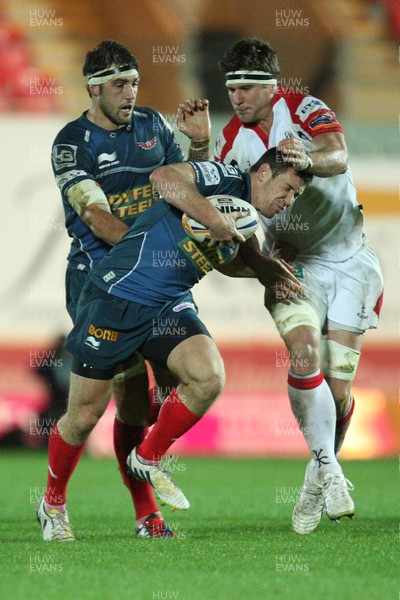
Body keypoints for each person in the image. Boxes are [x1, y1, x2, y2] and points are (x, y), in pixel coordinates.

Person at [37, 148, 311, 541]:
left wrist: (262, 269)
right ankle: (53, 504)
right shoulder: (225, 179)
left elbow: (223, 257)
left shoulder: (246, 218)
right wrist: (214, 218)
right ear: (263, 172)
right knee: (83, 416)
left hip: (167, 305)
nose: (287, 201)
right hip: (117, 297)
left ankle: (147, 457)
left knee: (208, 377)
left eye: (296, 197)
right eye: (287, 188)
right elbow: (164, 177)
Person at [215, 38, 384, 534]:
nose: (238, 98)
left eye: (247, 87)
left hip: (351, 259)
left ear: (271, 86)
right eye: (232, 89)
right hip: (296, 264)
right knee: (305, 352)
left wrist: (306, 158)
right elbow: (233, 206)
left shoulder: (305, 109)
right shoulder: (231, 140)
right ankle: (330, 471)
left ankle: (315, 477)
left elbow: (337, 154)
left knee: (339, 390)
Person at [46, 39, 212, 539]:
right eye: (120, 83)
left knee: (202, 376)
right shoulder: (72, 142)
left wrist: (200, 146)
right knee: (94, 409)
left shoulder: (155, 127)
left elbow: (187, 189)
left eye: (135, 82)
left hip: (161, 279)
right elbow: (96, 217)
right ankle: (53, 504)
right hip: (102, 283)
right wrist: (156, 245)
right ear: (93, 87)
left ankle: (148, 512)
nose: (130, 92)